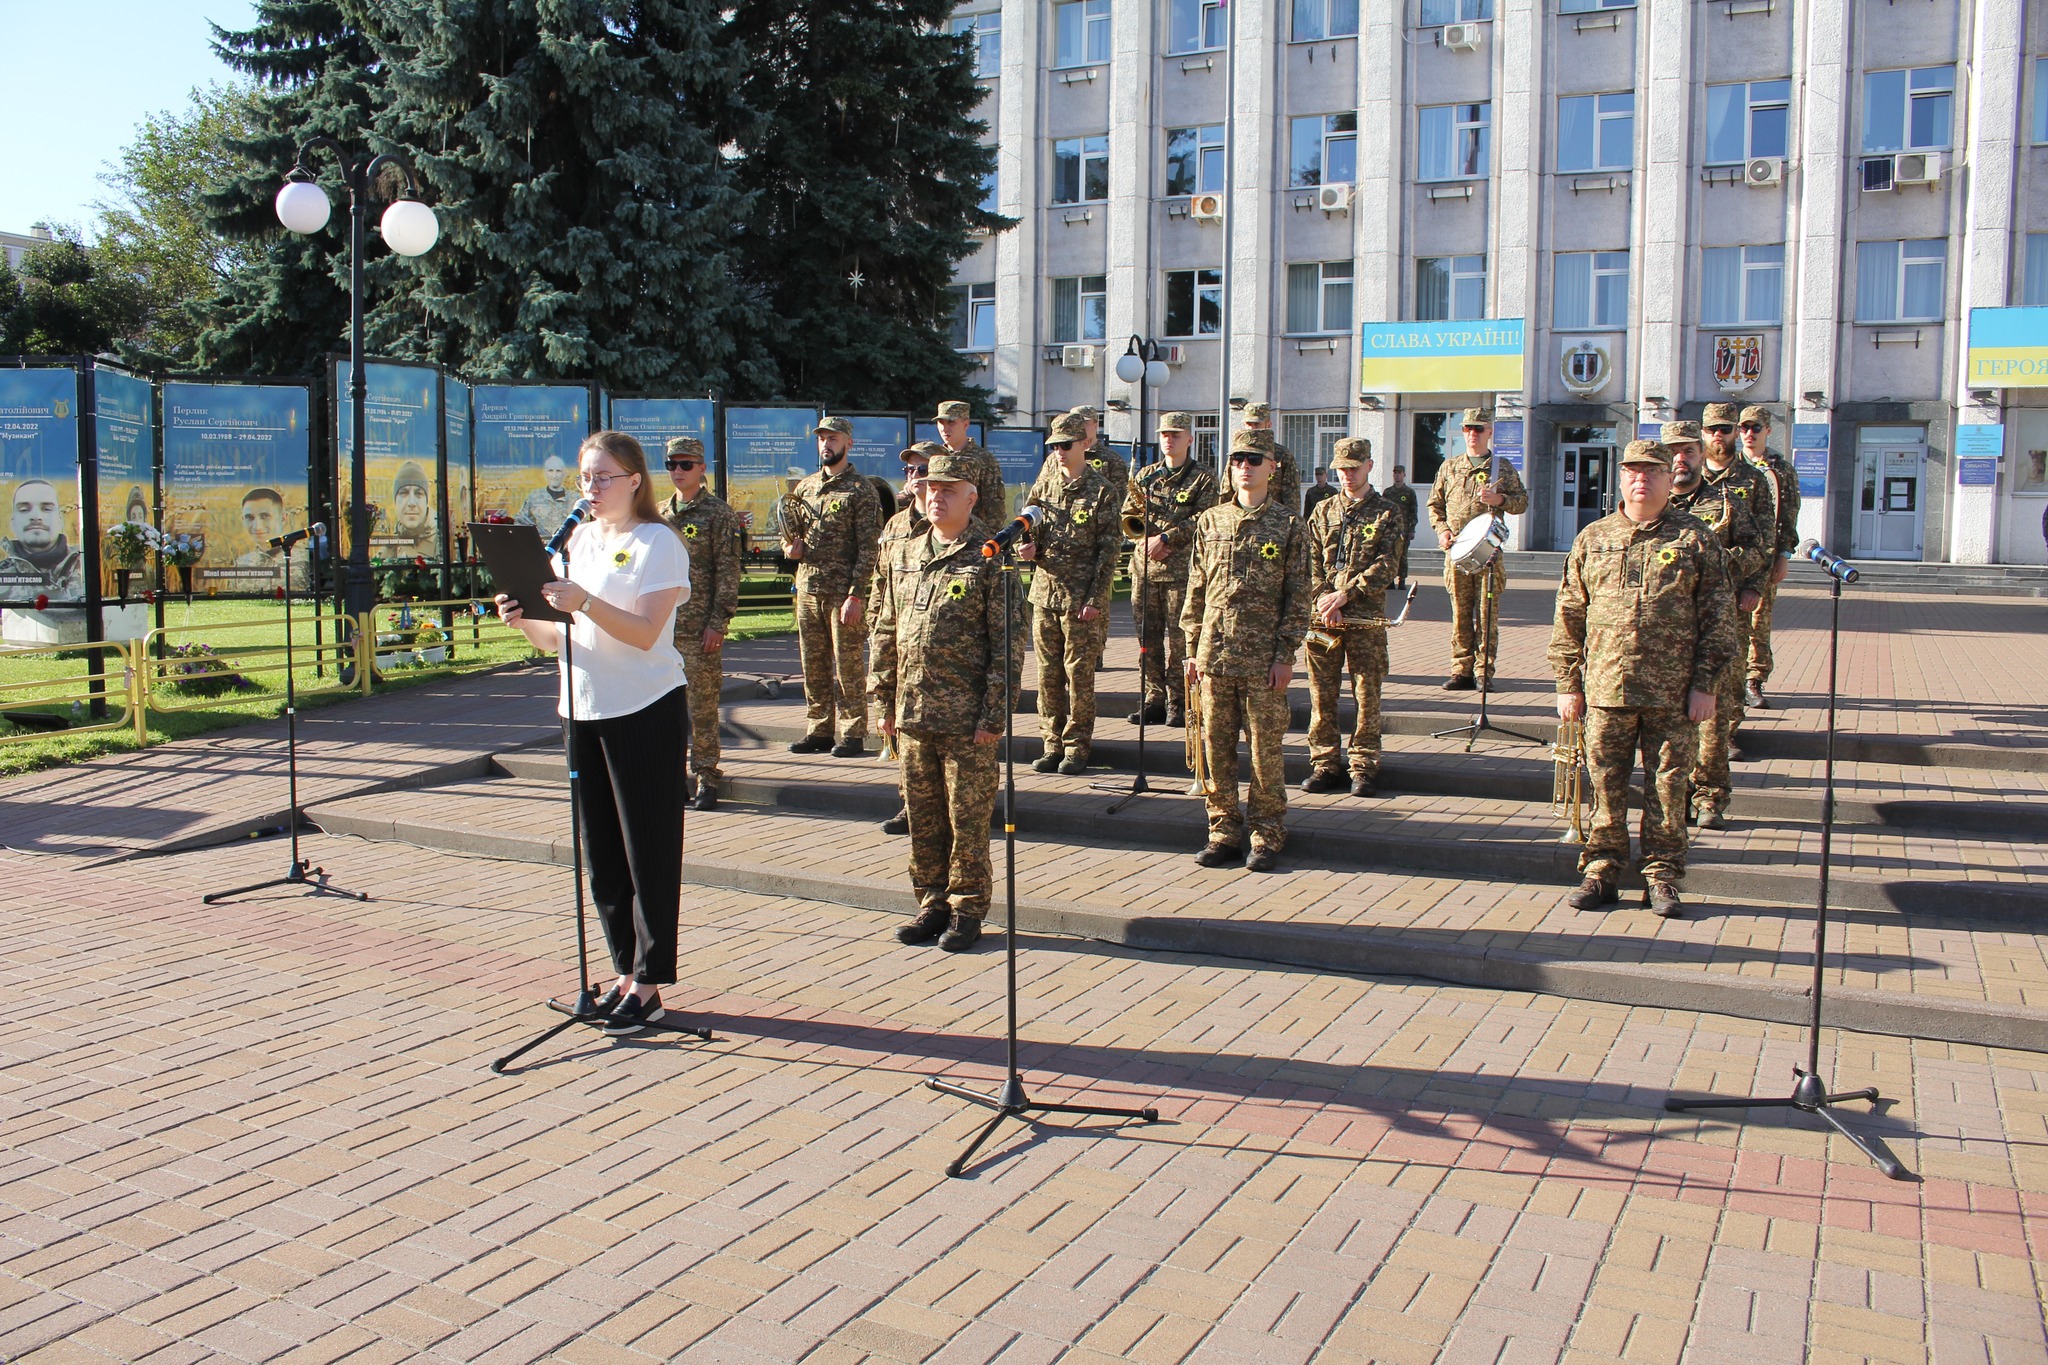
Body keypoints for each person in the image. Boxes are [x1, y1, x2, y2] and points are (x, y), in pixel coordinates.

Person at [494, 430, 692, 1035]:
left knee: (646, 850)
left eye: (604, 477)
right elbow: (555, 638)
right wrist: (523, 619)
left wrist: (583, 601)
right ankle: (623, 971)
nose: (592, 488)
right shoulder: (576, 540)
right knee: (602, 853)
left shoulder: (658, 542)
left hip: (645, 707)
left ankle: (650, 983)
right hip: (582, 707)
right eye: (586, 477)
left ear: (635, 480)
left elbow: (644, 633)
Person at [1550, 439, 1736, 920]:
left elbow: (1719, 618)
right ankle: (1602, 869)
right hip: (1606, 688)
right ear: (1621, 478)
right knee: (1605, 784)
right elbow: (1569, 614)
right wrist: (1568, 683)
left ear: (1668, 478)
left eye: (1652, 471)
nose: (1641, 479)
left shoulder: (1694, 538)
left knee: (1669, 789)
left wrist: (1706, 684)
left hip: (1672, 693)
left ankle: (1662, 875)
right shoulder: (1594, 538)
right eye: (1633, 470)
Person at [870, 452, 1022, 954]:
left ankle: (968, 908)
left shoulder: (991, 555)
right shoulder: (906, 551)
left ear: (971, 497)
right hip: (913, 713)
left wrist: (993, 714)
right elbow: (886, 627)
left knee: (967, 822)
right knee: (923, 817)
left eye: (948, 489)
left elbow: (1007, 645)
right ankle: (931, 902)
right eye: (930, 488)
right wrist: (883, 699)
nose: (935, 496)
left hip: (966, 720)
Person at [1182, 430, 1310, 872]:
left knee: (1264, 752)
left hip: (1262, 660)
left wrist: (1285, 654)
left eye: (1254, 459)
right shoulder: (1211, 520)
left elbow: (1298, 595)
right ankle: (1222, 832)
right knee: (1215, 750)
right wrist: (1191, 649)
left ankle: (1266, 833)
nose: (1245, 467)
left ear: (1272, 467)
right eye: (1237, 459)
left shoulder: (1289, 525)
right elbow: (1196, 588)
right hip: (1214, 656)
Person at [1664, 418, 1767, 831]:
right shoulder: (1649, 506)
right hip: (1664, 634)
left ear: (1701, 454)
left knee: (1714, 717)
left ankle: (1710, 797)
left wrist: (1722, 566)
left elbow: (1757, 549)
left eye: (1688, 451)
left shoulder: (1726, 503)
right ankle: (1674, 798)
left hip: (1715, 626)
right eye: (1673, 452)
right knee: (1670, 721)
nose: (1680, 459)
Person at [1302, 438, 1406, 798]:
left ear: (1369, 466)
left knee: (1366, 693)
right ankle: (1325, 763)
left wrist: (1346, 595)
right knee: (1321, 693)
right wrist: (1322, 598)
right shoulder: (1323, 510)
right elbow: (1308, 560)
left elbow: (1388, 564)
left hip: (1364, 618)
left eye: (1354, 468)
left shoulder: (1388, 512)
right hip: (1322, 618)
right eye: (1342, 469)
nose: (1347, 475)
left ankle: (1362, 765)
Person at [1020, 412, 1121, 774]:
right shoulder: (1044, 486)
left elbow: (1109, 550)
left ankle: (1077, 747)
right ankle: (1051, 743)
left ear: (1084, 444)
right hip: (1045, 594)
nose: (1059, 452)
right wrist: (1027, 547)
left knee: (1079, 676)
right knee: (1047, 676)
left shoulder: (1102, 491)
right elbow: (1029, 527)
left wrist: (1095, 599)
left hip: (1080, 600)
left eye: (1065, 445)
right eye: (1054, 446)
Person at [786, 416, 884, 757]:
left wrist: (857, 594)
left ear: (848, 443)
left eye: (833, 438)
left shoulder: (861, 490)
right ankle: (819, 729)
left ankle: (853, 732)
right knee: (813, 665)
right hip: (808, 589)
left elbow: (869, 548)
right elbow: (791, 534)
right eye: (822, 438)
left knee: (848, 665)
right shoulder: (806, 487)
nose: (826, 444)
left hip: (843, 593)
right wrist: (789, 549)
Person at [658, 436, 744, 811]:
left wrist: (718, 622)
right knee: (665, 707)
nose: (678, 471)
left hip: (698, 629)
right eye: (671, 464)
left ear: (702, 468)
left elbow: (727, 572)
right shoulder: (658, 514)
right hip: (660, 629)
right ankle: (672, 776)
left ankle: (707, 776)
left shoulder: (718, 514)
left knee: (702, 707)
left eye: (686, 464)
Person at [1122, 411, 1219, 727]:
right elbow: (1129, 514)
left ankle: (1179, 701)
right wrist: (1145, 539)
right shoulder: (1146, 475)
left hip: (1181, 573)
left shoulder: (1203, 477)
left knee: (1180, 641)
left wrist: (1165, 538)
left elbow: (1205, 518)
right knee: (1147, 640)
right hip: (1145, 571)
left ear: (1189, 439)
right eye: (1164, 434)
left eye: (1175, 434)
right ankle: (1153, 699)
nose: (1169, 439)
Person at [1427, 408, 1529, 689]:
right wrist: (1442, 530)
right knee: (1460, 614)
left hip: (1489, 554)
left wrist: (1500, 500)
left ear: (1489, 432)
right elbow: (1434, 505)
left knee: (1486, 615)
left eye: (1479, 429)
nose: (1473, 434)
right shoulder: (1449, 467)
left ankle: (1483, 672)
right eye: (1468, 428)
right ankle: (1461, 670)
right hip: (1456, 553)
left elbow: (1522, 502)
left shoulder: (1502, 468)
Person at [876, 441, 939, 836]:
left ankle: (942, 806)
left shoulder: (950, 522)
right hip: (898, 640)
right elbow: (880, 582)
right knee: (900, 725)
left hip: (939, 647)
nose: (914, 476)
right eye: (909, 470)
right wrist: (876, 625)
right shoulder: (895, 525)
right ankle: (909, 804)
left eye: (922, 469)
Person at [1737, 405, 1800, 709]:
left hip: (1766, 557)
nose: (1749, 434)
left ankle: (1753, 680)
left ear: (1768, 431)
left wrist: (1784, 555)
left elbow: (1789, 515)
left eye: (1756, 428)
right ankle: (1730, 678)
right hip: (1734, 556)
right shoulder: (1731, 466)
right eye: (1744, 428)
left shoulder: (1781, 470)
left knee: (1759, 621)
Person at [1, 478, 84, 601]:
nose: (36, 517)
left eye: (46, 509)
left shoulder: (86, 565)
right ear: (13, 523)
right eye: (24, 509)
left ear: (60, 520)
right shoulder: (3, 573)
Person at [932, 400, 1009, 522]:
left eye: (951, 422)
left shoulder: (984, 459)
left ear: (966, 424)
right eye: (941, 423)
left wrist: (985, 533)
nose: (944, 428)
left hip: (972, 531)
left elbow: (995, 510)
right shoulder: (935, 458)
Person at [1238, 402, 1302, 520]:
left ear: (1268, 425)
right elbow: (1227, 492)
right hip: (1240, 518)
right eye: (1249, 424)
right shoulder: (1237, 455)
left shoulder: (1282, 455)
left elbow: (1292, 496)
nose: (1252, 429)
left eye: (1257, 424)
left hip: (1272, 521)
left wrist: (1290, 523)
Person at [519, 455, 578, 540]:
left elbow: (585, 526)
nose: (554, 476)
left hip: (570, 545)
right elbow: (520, 520)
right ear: (545, 473)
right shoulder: (534, 497)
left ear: (564, 473)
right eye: (550, 471)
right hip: (541, 546)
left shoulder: (575, 499)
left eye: (558, 471)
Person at [1384, 464, 1419, 589]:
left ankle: (1402, 580)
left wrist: (1412, 529)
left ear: (1404, 475)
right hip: (1390, 529)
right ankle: (1390, 580)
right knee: (1390, 554)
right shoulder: (1388, 492)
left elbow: (1413, 512)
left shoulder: (1409, 492)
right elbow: (1383, 510)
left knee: (1402, 555)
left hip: (1404, 529)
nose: (1397, 475)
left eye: (1399, 473)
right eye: (1395, 473)